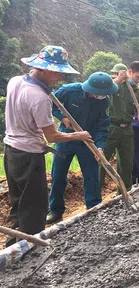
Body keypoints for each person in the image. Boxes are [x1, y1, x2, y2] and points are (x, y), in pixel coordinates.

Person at [3, 45, 93, 247]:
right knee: (35, 207)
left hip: (11, 151)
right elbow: (52, 136)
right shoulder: (39, 97)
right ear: (43, 69)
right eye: (57, 73)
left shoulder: (16, 81)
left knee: (19, 203)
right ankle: (31, 247)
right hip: (28, 156)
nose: (60, 78)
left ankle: (13, 244)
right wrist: (78, 135)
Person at [46, 72, 117, 224]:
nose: (103, 96)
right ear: (93, 89)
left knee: (91, 176)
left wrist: (99, 146)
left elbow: (102, 126)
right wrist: (62, 117)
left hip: (87, 141)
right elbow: (49, 103)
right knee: (58, 175)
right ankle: (56, 210)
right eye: (101, 93)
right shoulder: (69, 91)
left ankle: (94, 207)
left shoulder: (104, 102)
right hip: (66, 139)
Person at [99, 61, 139, 195]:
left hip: (127, 129)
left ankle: (124, 193)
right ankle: (95, 196)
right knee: (101, 162)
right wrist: (118, 79)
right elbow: (100, 91)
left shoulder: (138, 93)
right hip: (111, 128)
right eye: (137, 77)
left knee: (126, 164)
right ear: (129, 72)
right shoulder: (115, 86)